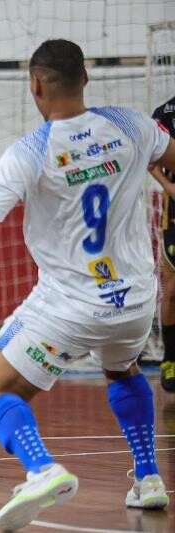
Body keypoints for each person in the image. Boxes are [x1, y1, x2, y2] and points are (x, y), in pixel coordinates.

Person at [0, 39, 173, 530]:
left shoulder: (30, 151)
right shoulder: (132, 124)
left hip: (69, 306)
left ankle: (41, 467)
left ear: (35, 84)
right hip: (133, 300)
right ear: (86, 78)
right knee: (124, 369)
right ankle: (149, 479)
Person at [152, 95, 175, 392]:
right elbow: (150, 157)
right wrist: (169, 186)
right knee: (171, 290)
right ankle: (170, 359)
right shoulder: (166, 113)